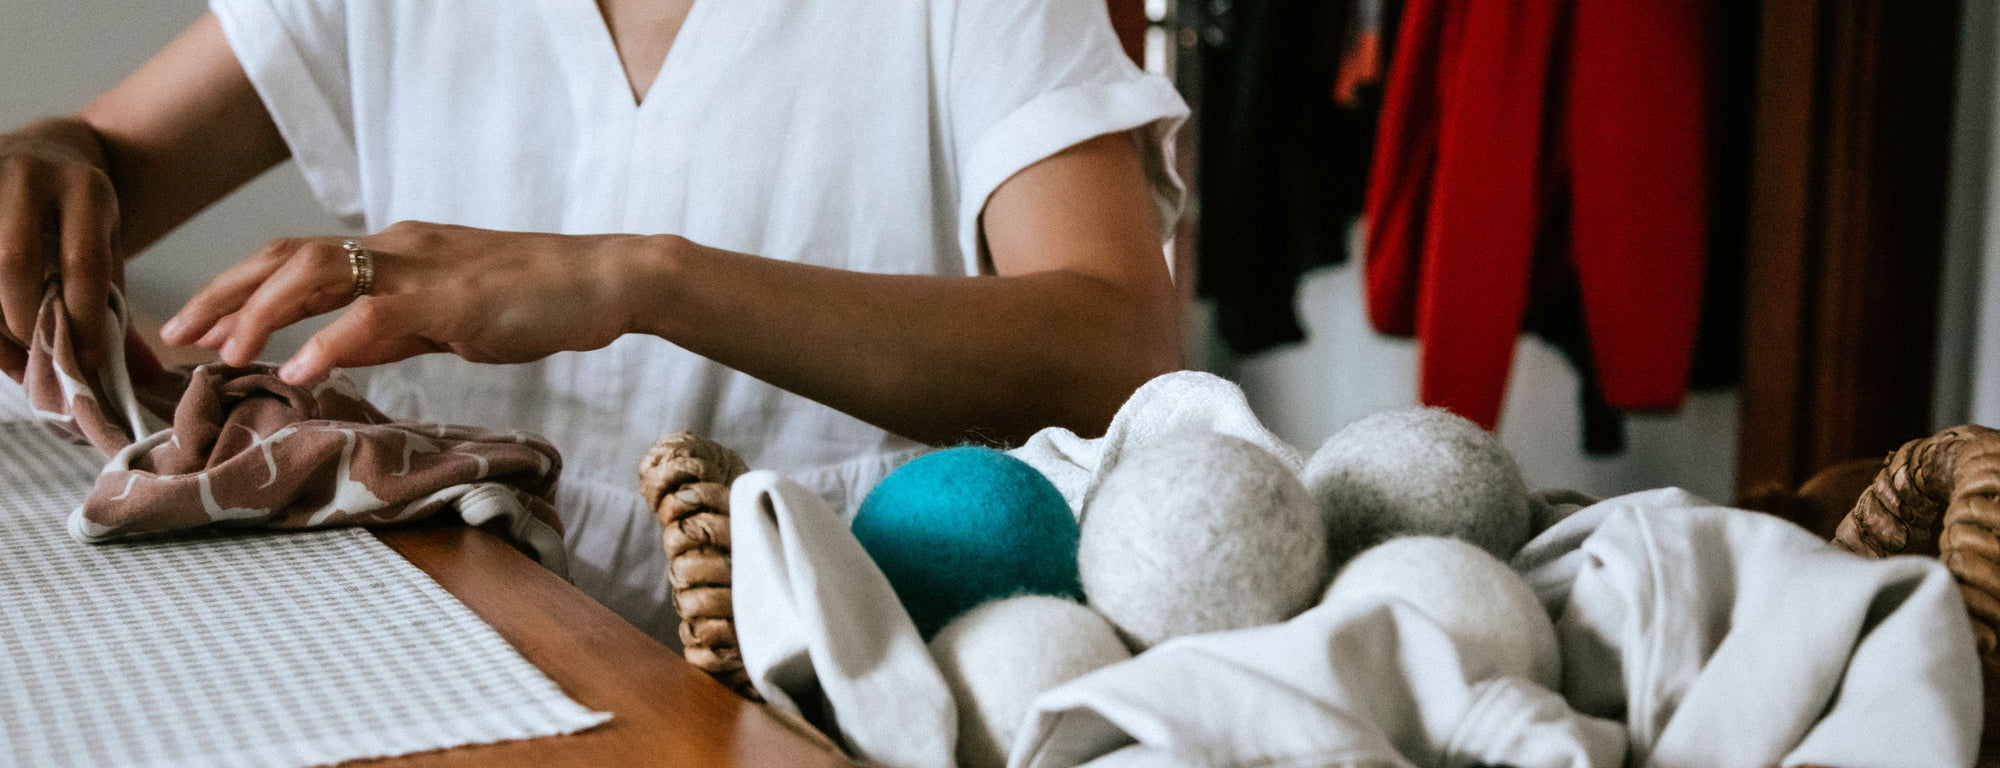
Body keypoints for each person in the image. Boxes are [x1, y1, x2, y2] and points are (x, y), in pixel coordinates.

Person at [0, 0, 1188, 642]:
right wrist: (58, 148)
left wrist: (640, 279)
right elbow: (101, 162)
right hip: (440, 616)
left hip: (841, 642)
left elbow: (1117, 347)